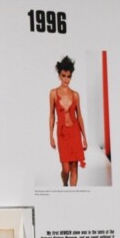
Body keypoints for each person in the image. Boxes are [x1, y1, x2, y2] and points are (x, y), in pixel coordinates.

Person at [48, 55, 87, 186]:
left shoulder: (75, 95)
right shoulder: (53, 93)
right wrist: (51, 136)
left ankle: (72, 195)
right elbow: (52, 115)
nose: (66, 79)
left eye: (69, 76)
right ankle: (65, 185)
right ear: (59, 75)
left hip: (75, 132)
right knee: (66, 168)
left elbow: (79, 116)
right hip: (62, 134)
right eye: (63, 76)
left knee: (74, 167)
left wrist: (84, 137)